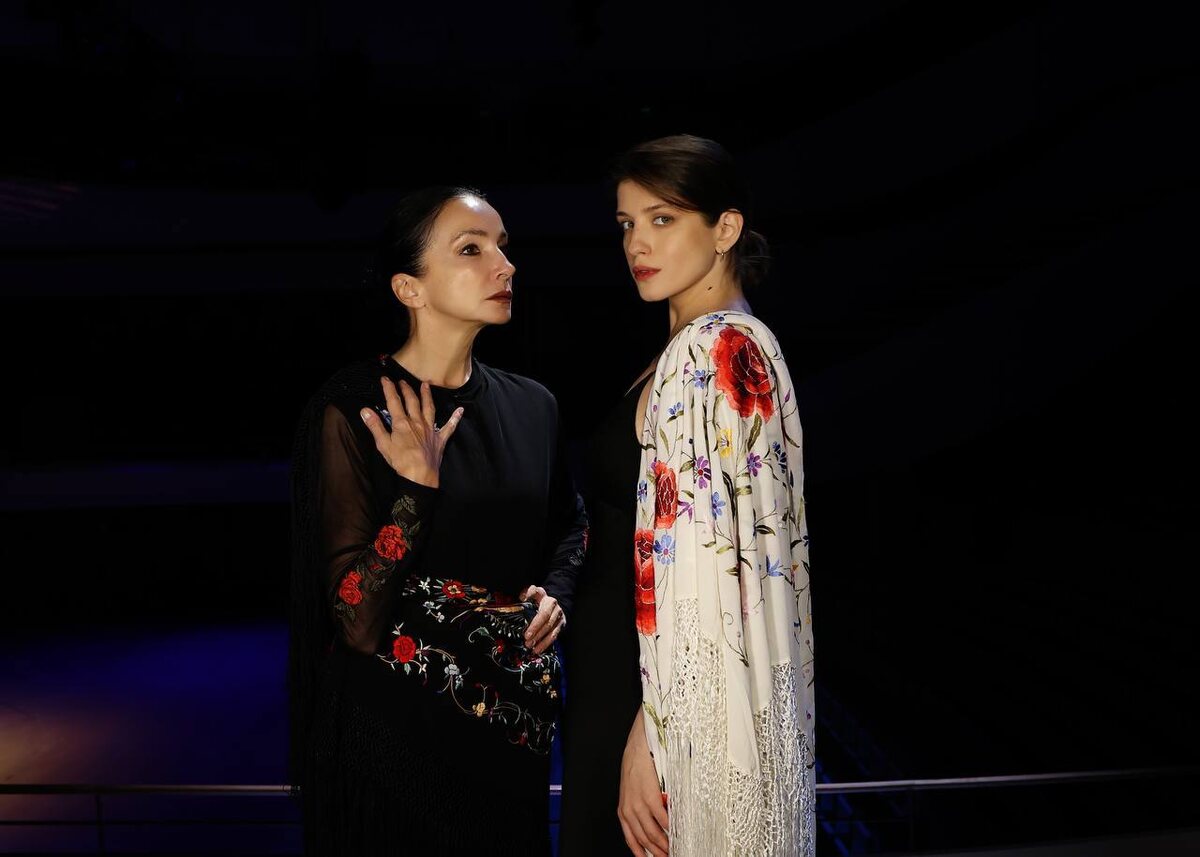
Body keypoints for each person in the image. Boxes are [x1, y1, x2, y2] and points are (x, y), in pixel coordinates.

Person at [288, 186, 588, 856]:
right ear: (410, 289)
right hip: (391, 750)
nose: (505, 265)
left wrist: (557, 595)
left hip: (507, 742)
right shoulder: (353, 408)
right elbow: (355, 620)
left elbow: (572, 523)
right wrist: (415, 490)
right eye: (471, 250)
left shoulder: (534, 406)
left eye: (503, 246)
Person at [559, 135, 814, 857]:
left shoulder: (715, 351)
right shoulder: (703, 348)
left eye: (663, 219)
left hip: (647, 705)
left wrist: (656, 733)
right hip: (625, 686)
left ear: (725, 229)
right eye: (626, 223)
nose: (636, 243)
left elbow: (711, 575)